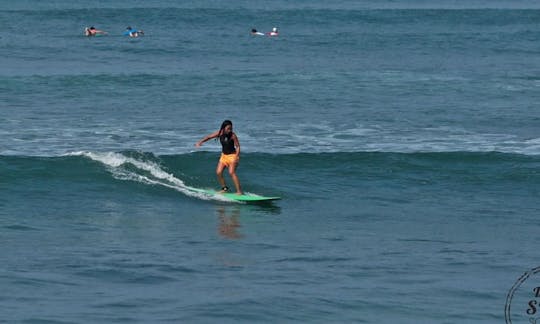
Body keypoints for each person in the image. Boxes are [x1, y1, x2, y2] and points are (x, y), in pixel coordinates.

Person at [195, 120, 243, 194]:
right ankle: (225, 188)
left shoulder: (233, 135)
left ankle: (239, 191)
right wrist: (200, 142)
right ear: (223, 128)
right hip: (224, 156)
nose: (230, 130)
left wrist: (237, 156)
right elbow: (209, 137)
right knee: (218, 172)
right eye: (228, 128)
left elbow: (238, 146)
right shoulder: (220, 133)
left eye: (231, 128)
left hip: (232, 156)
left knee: (231, 172)